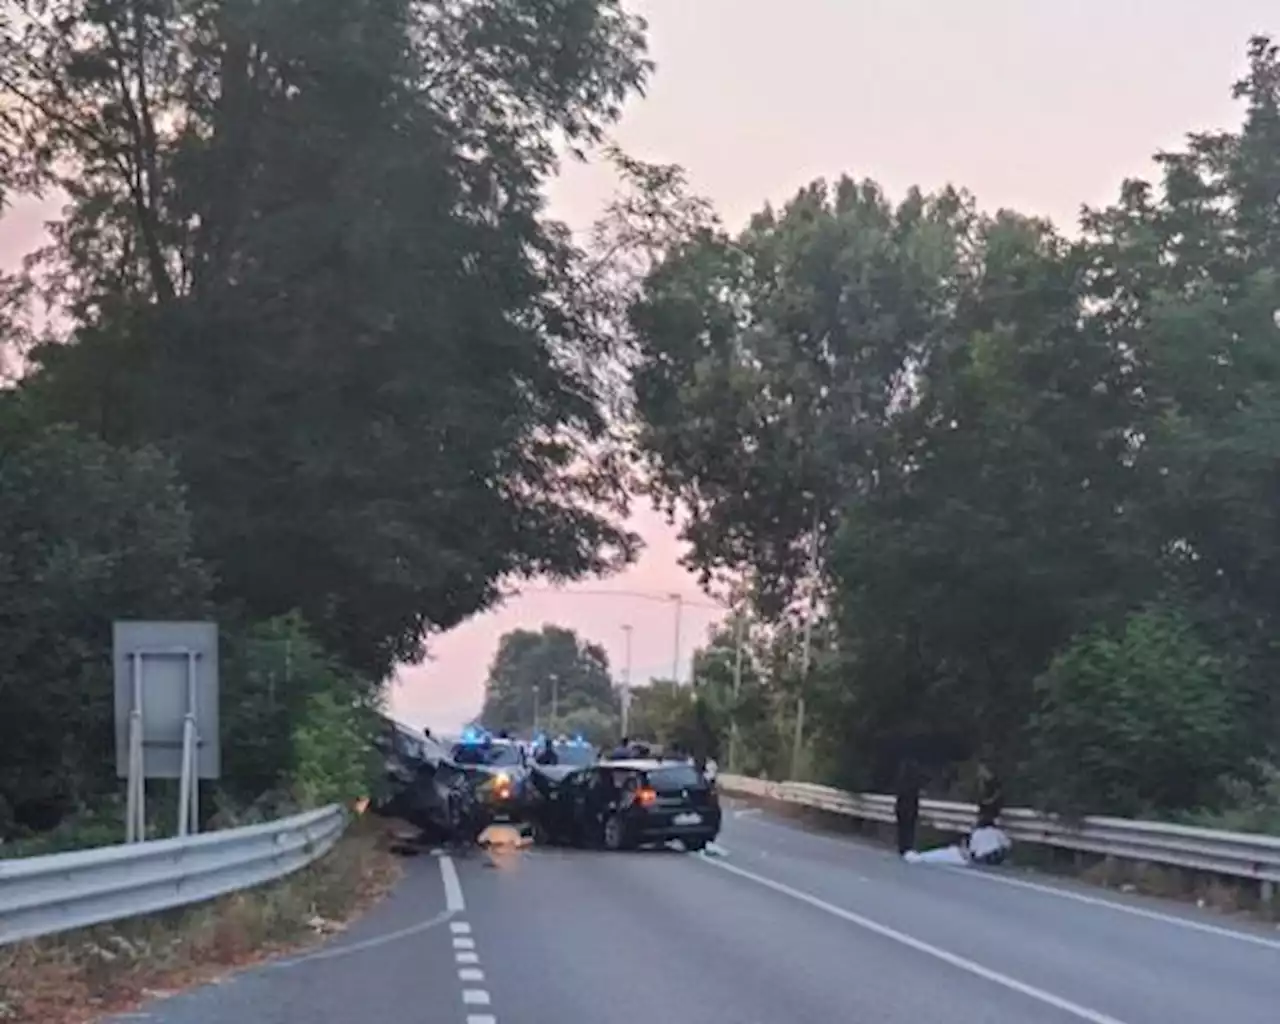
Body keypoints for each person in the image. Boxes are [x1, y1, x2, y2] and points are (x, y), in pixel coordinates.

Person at [894, 757, 922, 856]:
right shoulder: (915, 783)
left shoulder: (901, 781)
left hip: (902, 808)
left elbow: (900, 795)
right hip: (910, 808)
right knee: (909, 828)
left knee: (903, 828)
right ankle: (907, 846)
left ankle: (902, 846)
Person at [976, 761, 1003, 828]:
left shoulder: (994, 781)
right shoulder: (981, 781)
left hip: (993, 811)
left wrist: (990, 800)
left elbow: (998, 793)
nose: (980, 771)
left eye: (982, 768)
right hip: (983, 811)